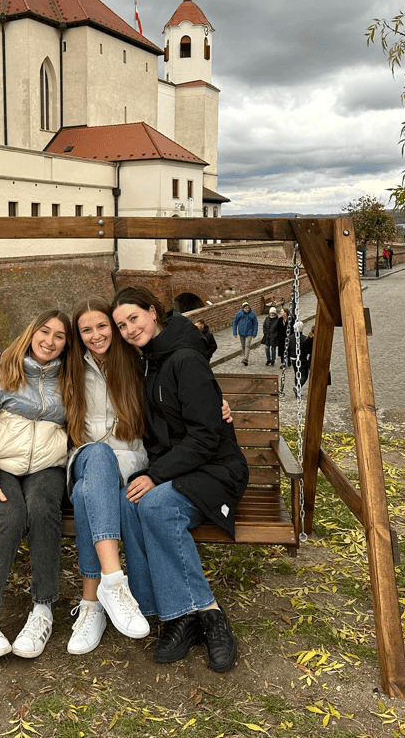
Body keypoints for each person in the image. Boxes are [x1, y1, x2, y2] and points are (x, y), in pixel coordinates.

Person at [112, 287, 249, 673]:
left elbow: (206, 436)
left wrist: (155, 475)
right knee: (130, 500)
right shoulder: (149, 359)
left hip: (216, 469)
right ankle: (172, 615)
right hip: (180, 468)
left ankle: (208, 613)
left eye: (134, 319)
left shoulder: (184, 359)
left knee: (155, 502)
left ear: (153, 313)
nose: (128, 329)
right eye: (121, 325)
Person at [0, 310, 72, 661]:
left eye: (60, 336)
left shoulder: (71, 380)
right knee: (11, 514)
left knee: (42, 508)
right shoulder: (0, 375)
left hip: (47, 467)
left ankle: (42, 610)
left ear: (67, 343)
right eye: (44, 332)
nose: (50, 341)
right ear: (30, 333)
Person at [63, 298, 151, 654]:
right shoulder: (68, 369)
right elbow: (24, 374)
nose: (96, 335)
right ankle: (115, 582)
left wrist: (217, 402)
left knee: (89, 493)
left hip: (129, 464)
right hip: (83, 458)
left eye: (102, 326)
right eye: (86, 329)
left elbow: (181, 378)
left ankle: (92, 604)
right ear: (78, 335)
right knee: (96, 457)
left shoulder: (136, 362)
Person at [231, 300, 257, 366]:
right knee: (243, 346)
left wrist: (254, 333)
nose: (247, 309)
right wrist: (234, 332)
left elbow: (255, 323)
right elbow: (234, 322)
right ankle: (244, 356)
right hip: (241, 332)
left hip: (249, 332)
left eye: (248, 308)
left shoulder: (252, 314)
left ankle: (246, 358)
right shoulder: (239, 313)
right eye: (245, 308)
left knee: (247, 345)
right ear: (243, 308)